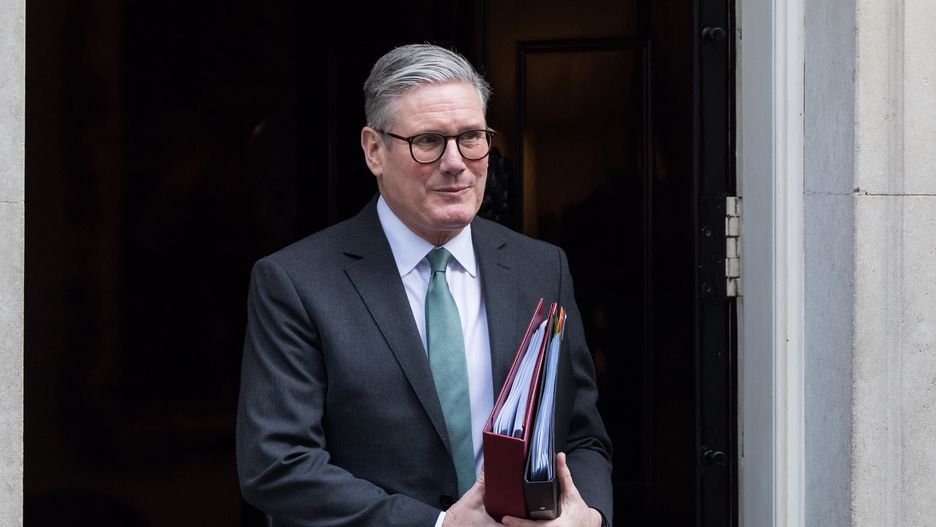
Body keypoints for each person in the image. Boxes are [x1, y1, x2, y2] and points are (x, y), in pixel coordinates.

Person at [236, 43, 612, 527]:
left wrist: (588, 516)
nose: (456, 162)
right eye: (429, 141)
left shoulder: (542, 267)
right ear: (374, 150)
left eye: (472, 137)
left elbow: (581, 435)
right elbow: (276, 464)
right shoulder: (296, 281)